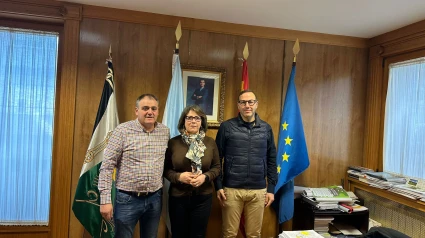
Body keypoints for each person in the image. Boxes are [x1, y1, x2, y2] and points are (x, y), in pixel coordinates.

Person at [98, 94, 170, 238]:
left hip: (154, 199)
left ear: (158, 111)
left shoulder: (164, 131)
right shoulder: (122, 131)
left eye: (153, 108)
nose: (150, 112)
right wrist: (105, 200)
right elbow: (106, 167)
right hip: (127, 199)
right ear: (136, 111)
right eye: (145, 108)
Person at [214, 90, 277, 238]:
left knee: (254, 235)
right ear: (238, 105)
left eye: (250, 102)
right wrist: (218, 186)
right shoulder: (227, 127)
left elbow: (272, 159)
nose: (247, 105)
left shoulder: (266, 129)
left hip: (258, 191)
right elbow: (216, 159)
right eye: (243, 102)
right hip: (231, 190)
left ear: (256, 104)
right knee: (229, 234)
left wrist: (271, 189)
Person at [163, 105, 221, 238]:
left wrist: (205, 177)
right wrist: (179, 177)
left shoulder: (210, 143)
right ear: (183, 120)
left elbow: (217, 167)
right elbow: (165, 169)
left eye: (197, 118)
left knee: (198, 235)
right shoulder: (173, 143)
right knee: (178, 234)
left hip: (203, 197)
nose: (193, 121)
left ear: (202, 121)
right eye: (189, 118)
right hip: (178, 197)